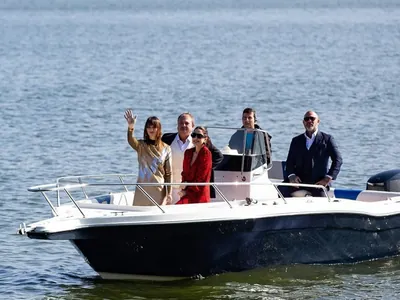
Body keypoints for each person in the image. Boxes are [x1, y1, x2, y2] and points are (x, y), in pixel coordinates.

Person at [162, 113, 223, 202]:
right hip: (170, 187)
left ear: (192, 125)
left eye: (186, 123)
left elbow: (218, 157)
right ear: (177, 125)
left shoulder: (199, 140)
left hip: (191, 189)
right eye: (181, 123)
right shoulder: (167, 139)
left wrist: (202, 169)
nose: (183, 125)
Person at [283, 110, 343, 197]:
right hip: (299, 182)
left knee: (321, 202)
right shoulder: (296, 141)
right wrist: (292, 176)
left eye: (312, 118)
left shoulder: (327, 139)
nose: (309, 121)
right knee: (280, 190)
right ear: (303, 122)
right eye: (306, 119)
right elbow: (289, 162)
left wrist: (327, 178)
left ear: (318, 121)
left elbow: (338, 160)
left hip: (318, 183)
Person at [124, 110, 172, 206]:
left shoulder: (166, 148)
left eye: (154, 127)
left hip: (158, 189)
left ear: (159, 129)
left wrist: (168, 193)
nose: (151, 129)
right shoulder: (141, 145)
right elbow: (130, 140)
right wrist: (131, 127)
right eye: (148, 127)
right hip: (142, 189)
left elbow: (168, 173)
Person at [176, 126, 212, 204]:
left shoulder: (206, 153)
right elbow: (184, 173)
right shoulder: (188, 153)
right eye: (193, 135)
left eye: (199, 136)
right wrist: (183, 187)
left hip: (199, 195)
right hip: (187, 193)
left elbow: (201, 179)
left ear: (205, 139)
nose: (196, 138)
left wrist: (186, 192)